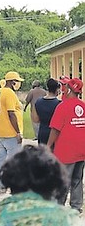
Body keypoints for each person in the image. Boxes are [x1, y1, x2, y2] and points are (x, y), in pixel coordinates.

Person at [47, 77, 85, 213]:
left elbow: (55, 129)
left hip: (66, 150)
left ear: (68, 90)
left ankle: (59, 206)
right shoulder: (83, 106)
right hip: (81, 151)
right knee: (77, 178)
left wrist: (48, 145)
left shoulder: (62, 106)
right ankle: (76, 206)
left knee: (63, 179)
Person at [0, 71, 25, 195]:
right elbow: (11, 113)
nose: (18, 84)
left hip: (1, 131)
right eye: (17, 82)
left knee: (0, 160)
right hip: (11, 132)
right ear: (12, 82)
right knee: (14, 161)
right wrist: (18, 132)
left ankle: (0, 186)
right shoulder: (10, 93)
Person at [34, 78, 61, 145]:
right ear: (57, 89)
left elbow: (36, 119)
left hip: (42, 131)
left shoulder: (38, 102)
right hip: (55, 133)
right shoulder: (59, 104)